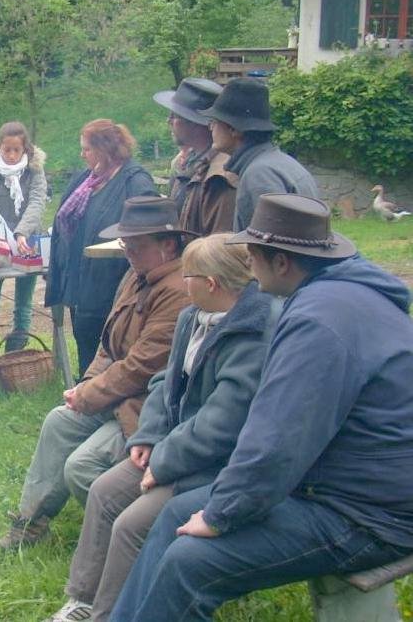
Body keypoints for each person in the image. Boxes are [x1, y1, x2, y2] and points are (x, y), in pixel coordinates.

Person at [110, 194, 413, 621]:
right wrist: (221, 503)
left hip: (371, 515)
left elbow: (278, 441)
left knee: (191, 561)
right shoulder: (336, 295)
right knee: (177, 509)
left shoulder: (317, 322)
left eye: (252, 254)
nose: (247, 264)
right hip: (341, 486)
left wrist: (221, 514)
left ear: (282, 262)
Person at [46, 234, 280, 622]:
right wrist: (149, 435)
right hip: (172, 447)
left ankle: (109, 614)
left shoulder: (252, 334)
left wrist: (164, 460)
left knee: (130, 525)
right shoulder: (193, 317)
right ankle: (82, 599)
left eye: (188, 275)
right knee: (103, 492)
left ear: (211, 284)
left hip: (215, 464)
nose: (180, 282)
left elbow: (222, 424)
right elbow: (163, 382)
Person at [0, 196, 190, 550]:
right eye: (125, 243)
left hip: (147, 407)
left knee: (81, 466)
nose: (128, 251)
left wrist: (90, 395)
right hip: (119, 394)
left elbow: (142, 366)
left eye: (136, 244)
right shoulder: (137, 275)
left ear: (168, 245)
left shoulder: (178, 292)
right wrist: (86, 385)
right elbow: (108, 344)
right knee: (59, 421)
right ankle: (30, 525)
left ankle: (135, 542)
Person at [44, 120, 156, 377]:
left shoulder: (134, 181)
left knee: (114, 353)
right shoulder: (86, 179)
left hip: (114, 287)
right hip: (82, 285)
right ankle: (85, 392)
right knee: (86, 348)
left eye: (87, 149)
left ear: (105, 149)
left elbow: (148, 231)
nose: (82, 154)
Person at [0, 121, 47, 356]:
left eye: (17, 150)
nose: (12, 155)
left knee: (23, 305)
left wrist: (22, 232)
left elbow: (37, 202)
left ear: (25, 149)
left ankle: (14, 358)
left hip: (27, 242)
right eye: (7, 150)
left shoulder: (35, 170)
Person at [200, 77, 319, 231]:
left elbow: (267, 242)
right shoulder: (281, 164)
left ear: (234, 129)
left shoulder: (258, 175)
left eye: (214, 122)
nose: (211, 128)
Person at [153, 78, 239, 235]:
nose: (168, 121)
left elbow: (219, 242)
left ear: (194, 122)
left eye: (174, 115)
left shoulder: (220, 176)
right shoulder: (188, 162)